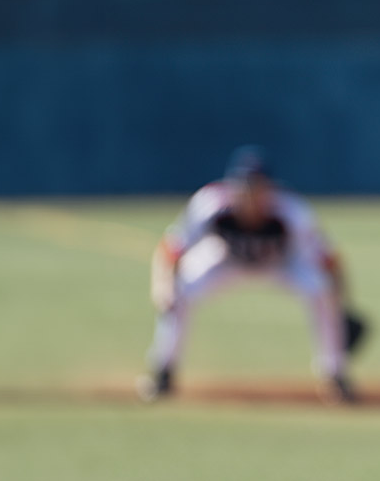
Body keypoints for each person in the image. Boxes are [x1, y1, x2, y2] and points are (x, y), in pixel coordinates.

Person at [137, 145, 367, 403]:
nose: (249, 193)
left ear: (269, 188)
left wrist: (343, 305)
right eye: (243, 185)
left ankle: (335, 375)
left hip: (281, 264)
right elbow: (170, 249)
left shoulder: (291, 212)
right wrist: (161, 286)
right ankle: (163, 373)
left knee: (321, 291)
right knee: (178, 291)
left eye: (256, 186)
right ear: (231, 186)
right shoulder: (209, 205)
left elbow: (330, 260)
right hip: (225, 260)